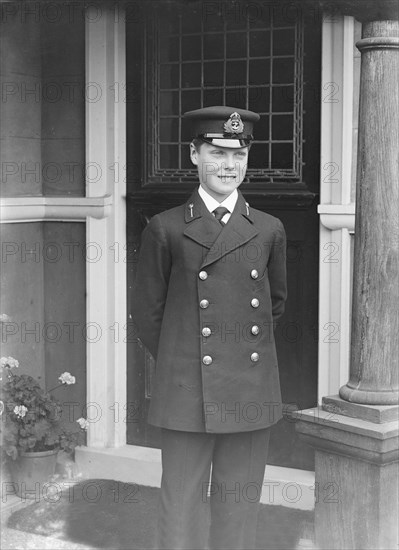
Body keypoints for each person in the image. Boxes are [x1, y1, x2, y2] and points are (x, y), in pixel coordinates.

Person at [133, 106, 287, 550]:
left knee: (238, 512)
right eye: (217, 153)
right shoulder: (165, 228)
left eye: (238, 155)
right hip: (186, 391)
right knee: (179, 510)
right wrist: (186, 365)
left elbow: (274, 309)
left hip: (249, 391)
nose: (228, 166)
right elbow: (148, 314)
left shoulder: (268, 229)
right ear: (194, 155)